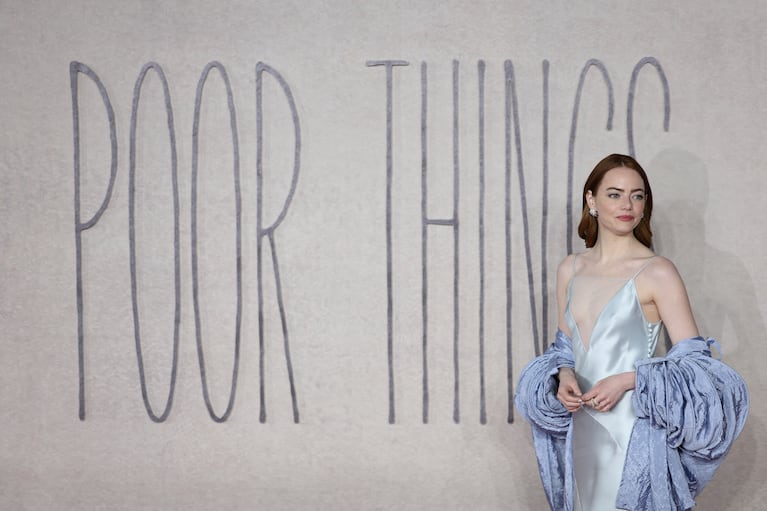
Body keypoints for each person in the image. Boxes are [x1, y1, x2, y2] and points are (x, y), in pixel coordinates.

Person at [514, 154, 748, 511]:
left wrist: (626, 380)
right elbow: (564, 345)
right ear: (591, 200)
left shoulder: (658, 272)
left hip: (633, 429)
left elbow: (695, 364)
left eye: (637, 196)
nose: (627, 205)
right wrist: (562, 375)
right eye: (614, 194)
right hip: (581, 432)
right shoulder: (570, 268)